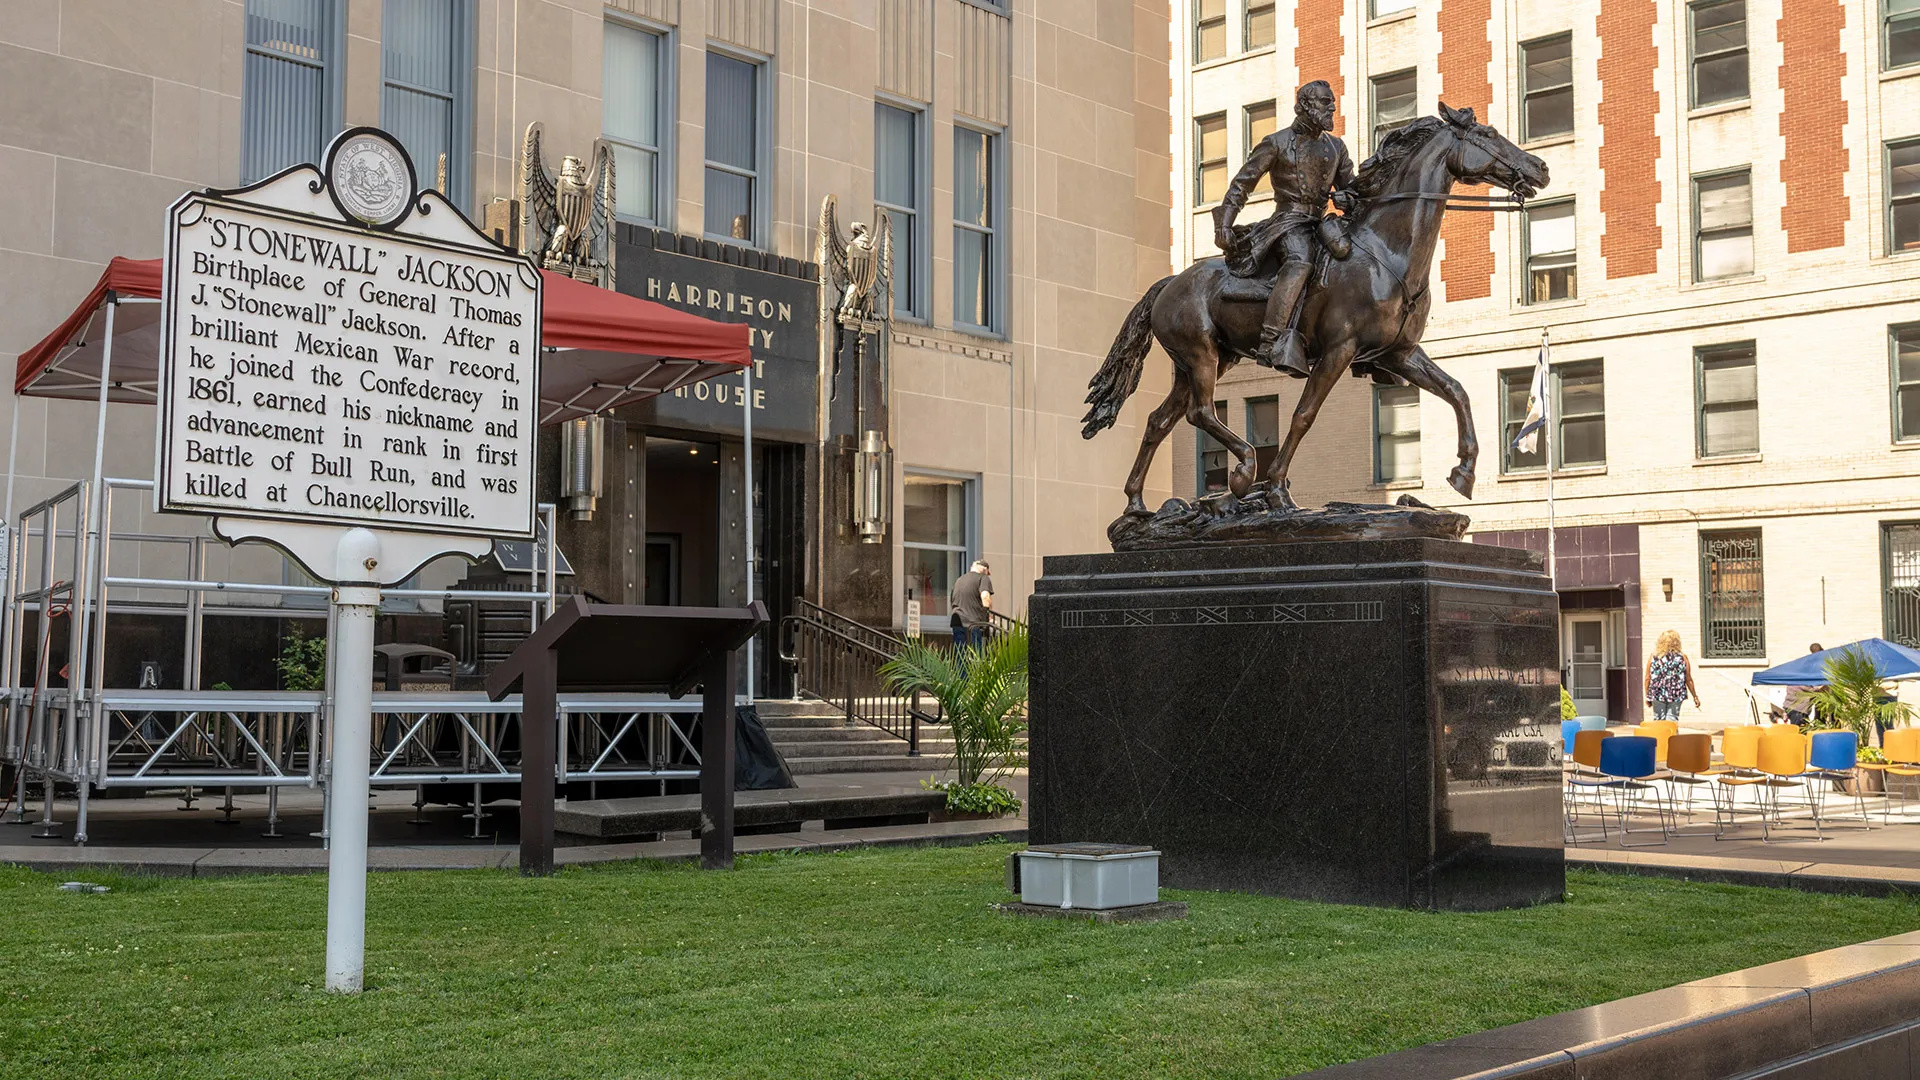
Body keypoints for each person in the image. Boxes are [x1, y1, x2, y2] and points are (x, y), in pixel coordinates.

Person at [1211, 79, 1357, 379]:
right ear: (1304, 105)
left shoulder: (1336, 147)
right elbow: (1243, 183)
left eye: (1332, 102)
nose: (1331, 107)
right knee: (1300, 260)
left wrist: (1348, 197)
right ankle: (1272, 340)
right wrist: (1224, 221)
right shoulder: (1276, 142)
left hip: (1321, 223)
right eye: (1324, 102)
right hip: (1288, 223)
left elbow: (1351, 190)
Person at [1644, 630, 1701, 721]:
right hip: (1676, 693)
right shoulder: (1682, 657)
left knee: (1658, 720)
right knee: (1672, 719)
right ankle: (1672, 735)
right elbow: (1688, 679)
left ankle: (1660, 735)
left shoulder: (1654, 657)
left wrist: (1648, 695)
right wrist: (1695, 696)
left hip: (1657, 693)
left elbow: (1648, 678)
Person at [949, 560, 994, 654]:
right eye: (987, 572)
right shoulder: (983, 578)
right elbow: (985, 596)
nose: (987, 575)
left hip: (957, 621)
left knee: (960, 656)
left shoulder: (959, 580)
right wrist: (987, 617)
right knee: (976, 656)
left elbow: (952, 599)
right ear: (984, 569)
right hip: (974, 623)